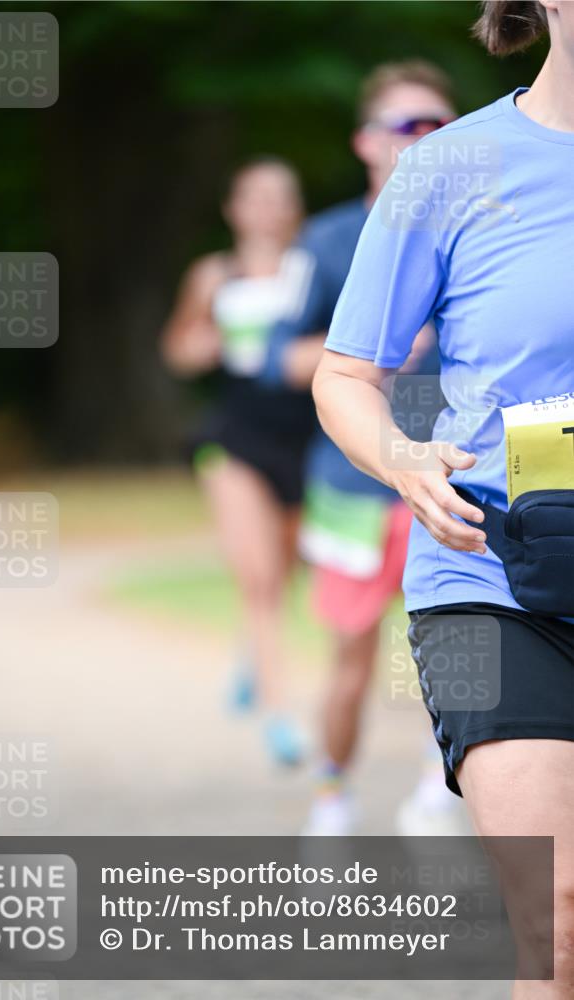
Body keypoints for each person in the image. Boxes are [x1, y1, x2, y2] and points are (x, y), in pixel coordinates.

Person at [313, 2, 573, 996]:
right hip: (491, 573)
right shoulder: (450, 168)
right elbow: (345, 375)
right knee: (555, 919)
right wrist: (403, 459)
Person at [263, 61, 462, 835]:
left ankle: (434, 792)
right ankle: (331, 801)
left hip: (449, 482)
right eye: (407, 126)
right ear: (366, 142)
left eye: (438, 127)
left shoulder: (480, 230)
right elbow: (275, 357)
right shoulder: (327, 238)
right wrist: (367, 349)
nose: (424, 140)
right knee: (350, 658)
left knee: (455, 654)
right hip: (351, 486)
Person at [161, 157, 317, 766]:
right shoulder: (212, 275)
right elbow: (177, 348)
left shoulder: (314, 272)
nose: (267, 209)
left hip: (305, 438)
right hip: (234, 439)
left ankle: (251, 656)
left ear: (294, 210)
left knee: (284, 568)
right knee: (260, 581)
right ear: (233, 208)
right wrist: (202, 346)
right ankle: (281, 717)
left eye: (280, 197)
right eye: (254, 196)